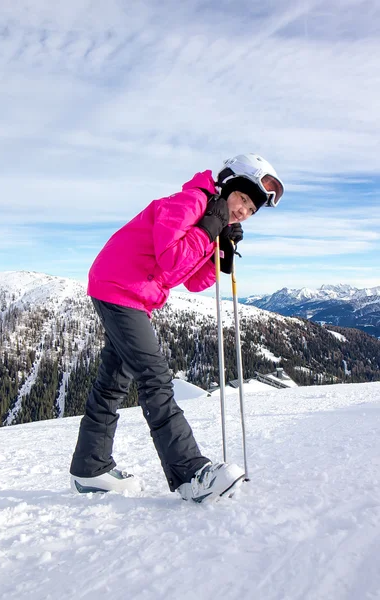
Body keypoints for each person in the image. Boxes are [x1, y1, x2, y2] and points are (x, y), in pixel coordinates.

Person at [70, 153, 284, 503]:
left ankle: (89, 467)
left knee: (113, 382)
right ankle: (189, 474)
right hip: (120, 288)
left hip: (131, 292)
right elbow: (170, 266)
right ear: (228, 185)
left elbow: (194, 281)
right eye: (243, 198)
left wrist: (222, 252)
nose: (244, 210)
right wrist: (207, 230)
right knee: (155, 378)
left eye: (251, 209)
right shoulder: (189, 202)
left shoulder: (208, 215)